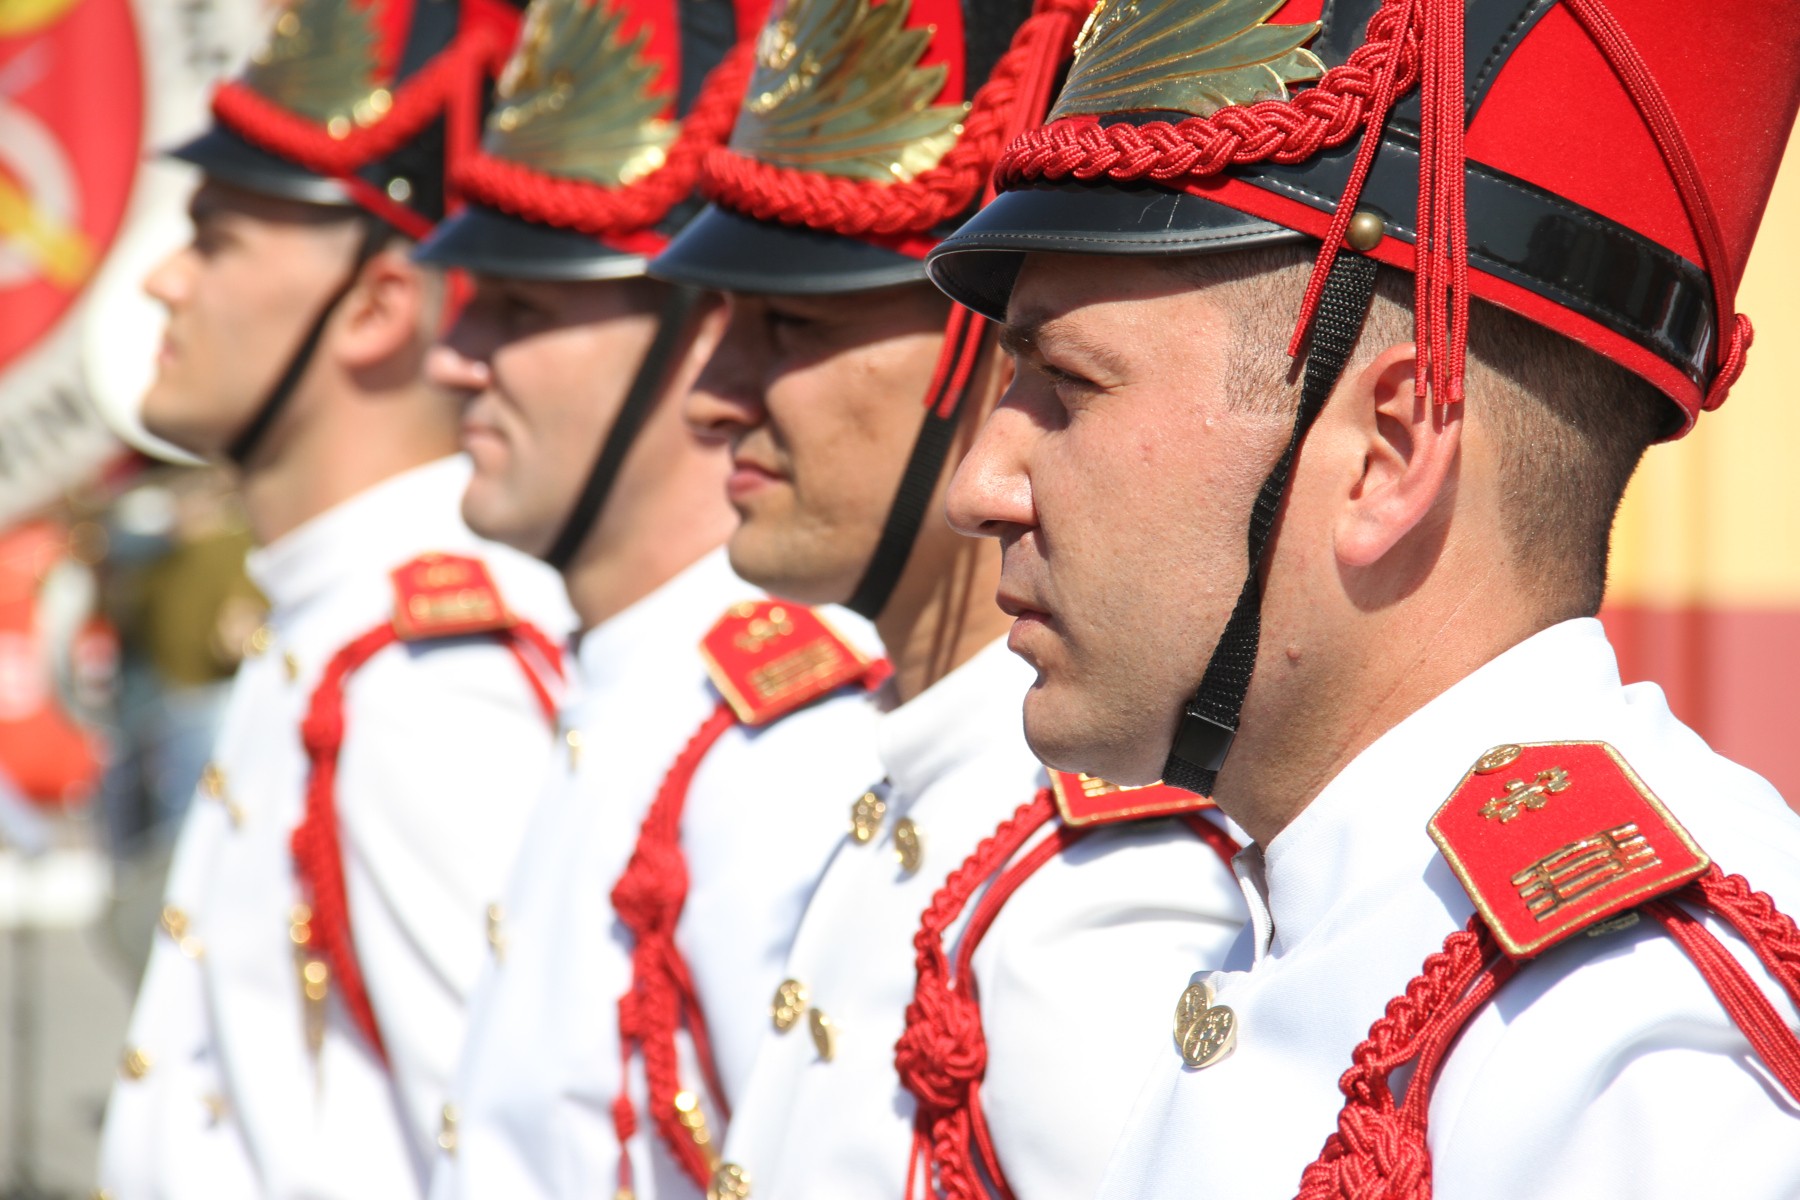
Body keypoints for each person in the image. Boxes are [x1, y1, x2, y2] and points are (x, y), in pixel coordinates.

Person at [927, 0, 1800, 1195]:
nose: (979, 487)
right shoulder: (1352, 916)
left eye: (1068, 388)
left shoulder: (1628, 1058)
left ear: (1387, 456)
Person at [650, 0, 1247, 1194]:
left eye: (791, 323)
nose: (712, 393)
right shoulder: (915, 782)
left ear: (981, 359)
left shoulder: (1102, 889)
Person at [96, 2, 578, 1196]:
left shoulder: (428, 680)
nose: (162, 277)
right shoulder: (342, 623)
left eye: (216, 239)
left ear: (373, 309)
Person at [412, 2, 885, 1196]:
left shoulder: (781, 745)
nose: (454, 355)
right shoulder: (638, 692)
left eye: (521, 308)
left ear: (695, 338)